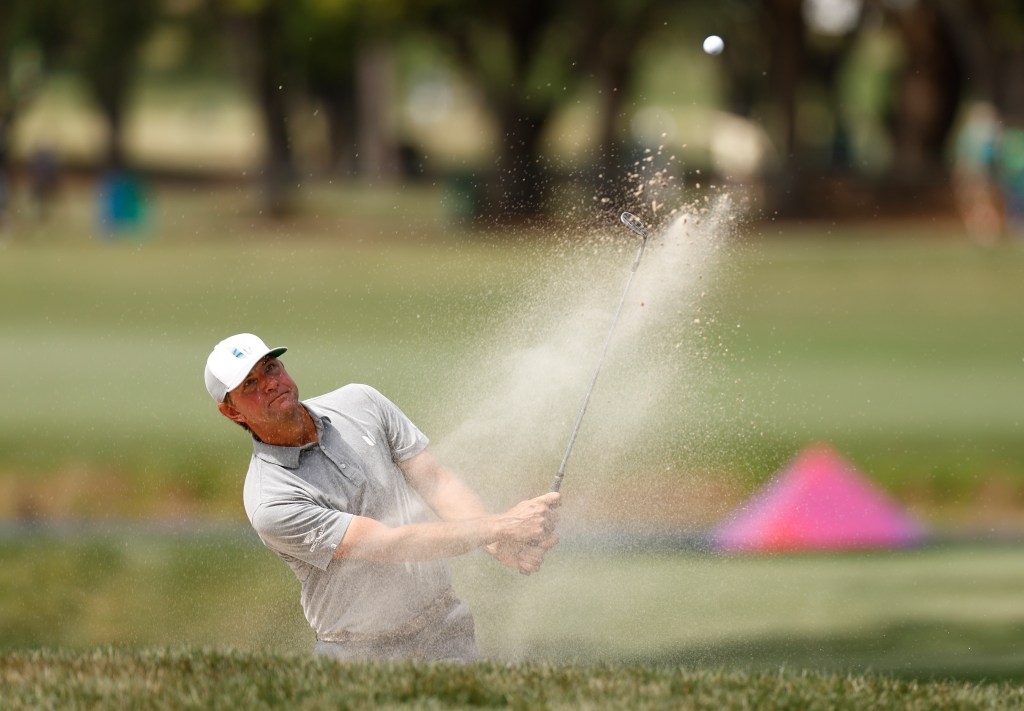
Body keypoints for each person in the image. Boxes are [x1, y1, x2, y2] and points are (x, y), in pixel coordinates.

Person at [204, 333, 559, 661]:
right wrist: (501, 526)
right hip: (357, 654)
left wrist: (497, 543)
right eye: (249, 384)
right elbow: (389, 544)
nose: (269, 383)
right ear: (231, 411)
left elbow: (434, 481)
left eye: (270, 367)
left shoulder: (361, 402)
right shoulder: (271, 500)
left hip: (445, 627)